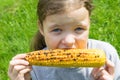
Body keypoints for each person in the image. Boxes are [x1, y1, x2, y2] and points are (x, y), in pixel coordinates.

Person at [8, 0, 120, 80]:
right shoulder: (34, 70)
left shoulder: (108, 55)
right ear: (41, 28)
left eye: (79, 29)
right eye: (57, 30)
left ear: (89, 24)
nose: (69, 41)